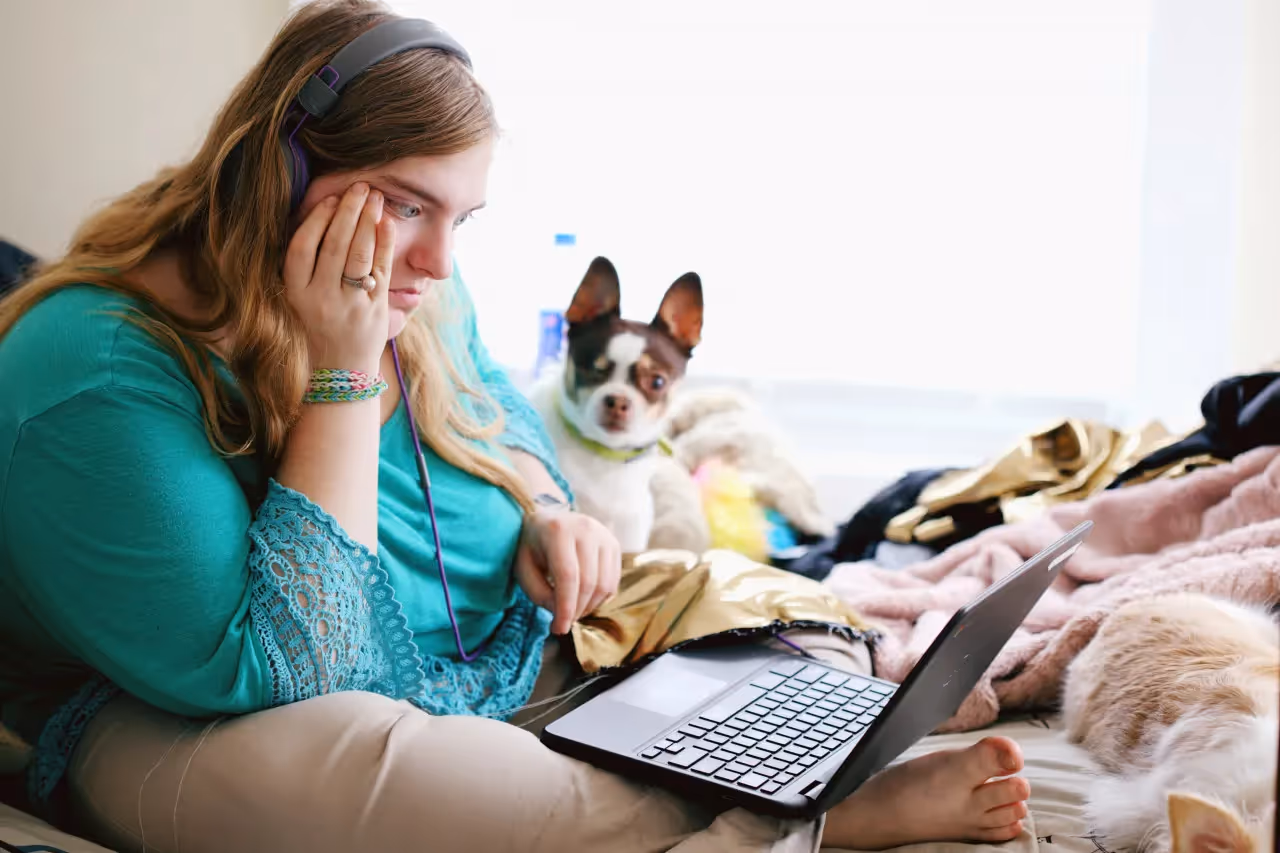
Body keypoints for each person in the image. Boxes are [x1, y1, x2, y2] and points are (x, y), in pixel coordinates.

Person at [0, 2, 1032, 850]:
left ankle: (773, 765)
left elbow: (506, 425)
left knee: (778, 615)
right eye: (407, 204)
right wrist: (343, 370)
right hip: (208, 719)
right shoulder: (89, 369)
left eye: (462, 218)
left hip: (502, 652)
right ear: (282, 173)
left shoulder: (414, 281)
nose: (440, 264)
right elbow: (294, 665)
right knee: (405, 786)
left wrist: (548, 510)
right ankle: (805, 808)